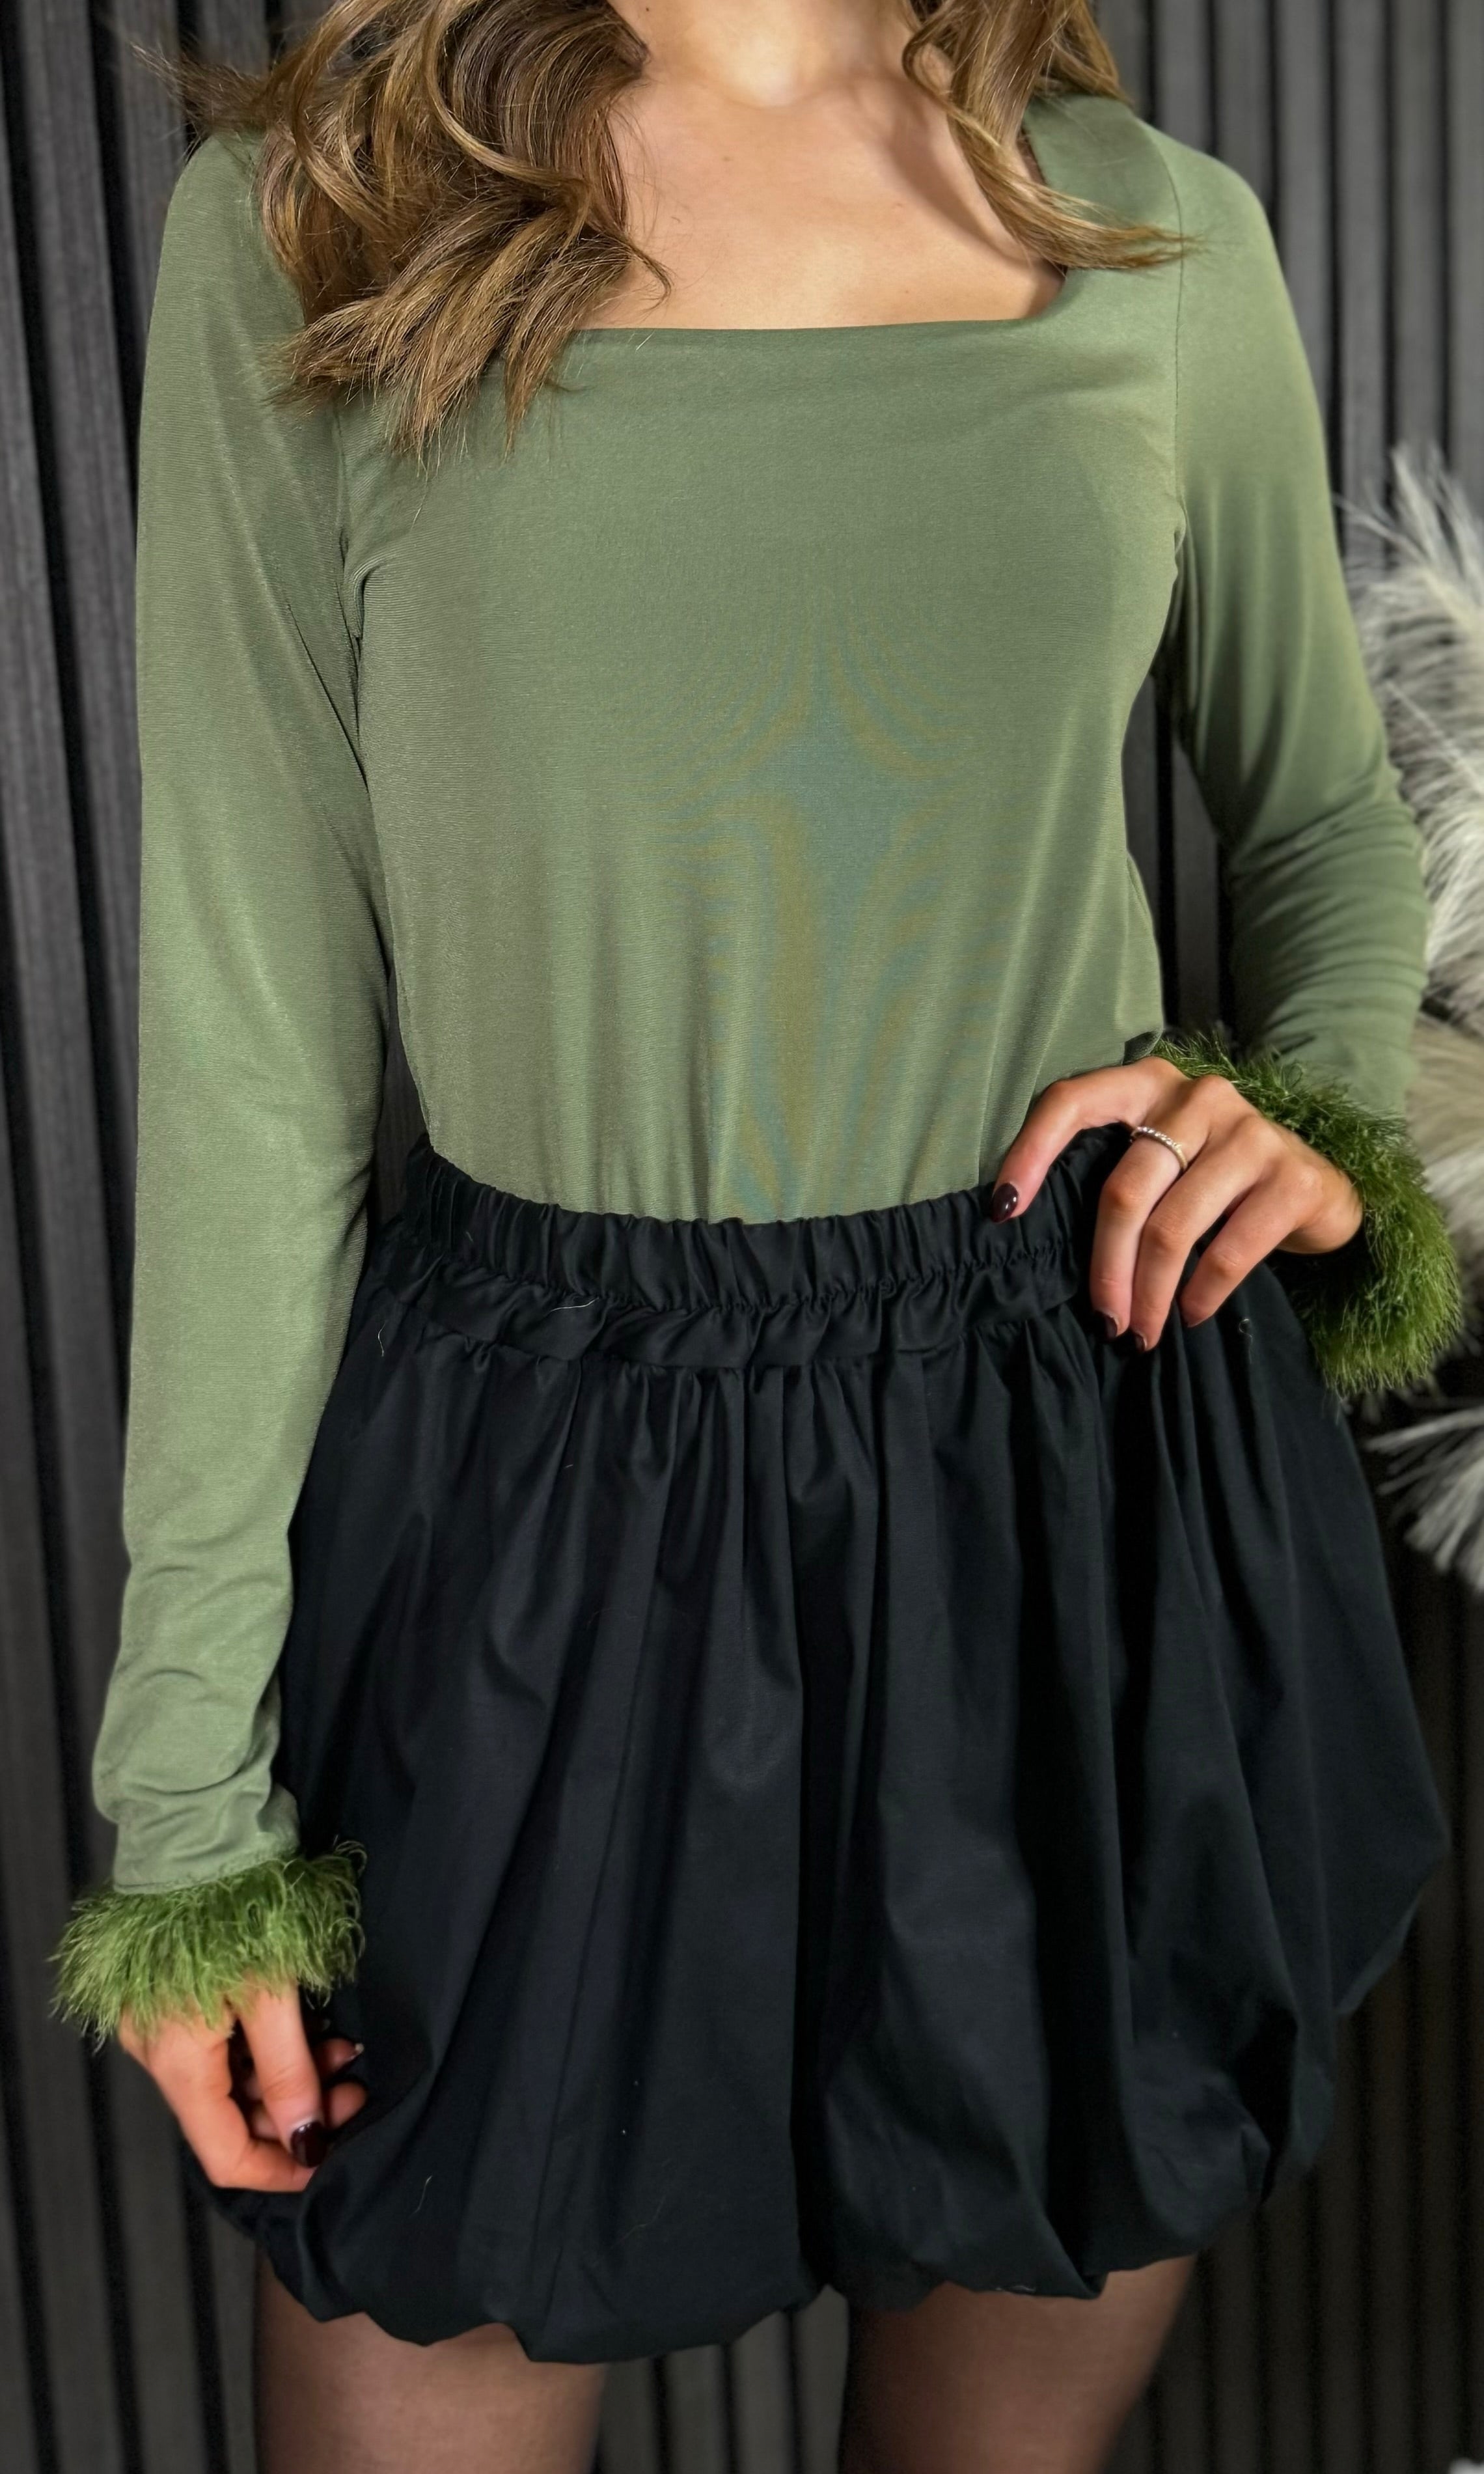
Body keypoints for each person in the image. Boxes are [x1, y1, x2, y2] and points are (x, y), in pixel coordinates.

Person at [52, 1, 1463, 2468]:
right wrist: (186, 1806)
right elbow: (254, 1063)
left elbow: (1323, 819)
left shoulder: (1150, 230)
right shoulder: (310, 233)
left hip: (1077, 1485)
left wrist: (1317, 1105)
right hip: (535, 1510)